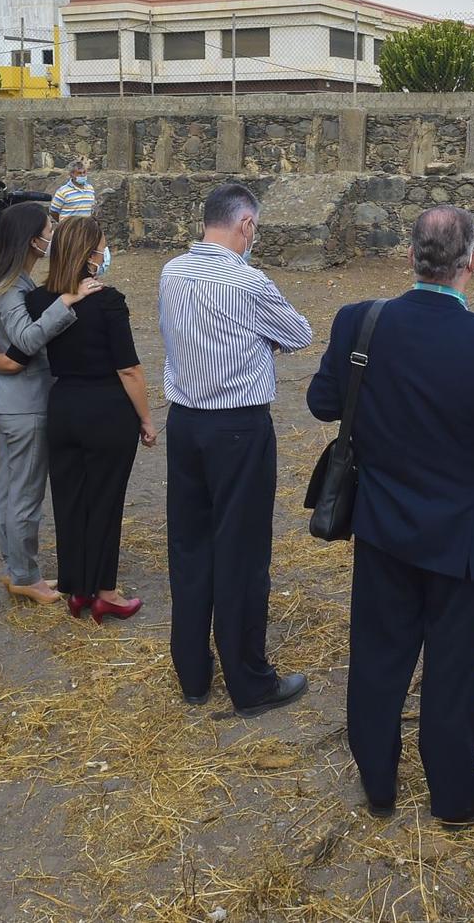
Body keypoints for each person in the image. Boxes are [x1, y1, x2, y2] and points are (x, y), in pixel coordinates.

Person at [308, 207, 474, 825]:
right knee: (453, 669)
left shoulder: (362, 323)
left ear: (410, 257)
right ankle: (454, 795)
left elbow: (323, 401)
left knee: (379, 657)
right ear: (473, 264)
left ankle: (379, 784)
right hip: (461, 538)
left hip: (382, 523)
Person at [160, 183, 313, 714]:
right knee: (242, 553)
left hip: (185, 422)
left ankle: (193, 674)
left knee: (189, 545)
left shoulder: (171, 272)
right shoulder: (248, 282)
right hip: (238, 426)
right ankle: (250, 680)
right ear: (245, 225)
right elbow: (298, 334)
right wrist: (256, 337)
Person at [26, 217, 157, 621]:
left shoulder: (38, 300)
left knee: (69, 499)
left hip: (63, 404)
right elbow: (128, 369)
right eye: (102, 246)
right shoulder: (108, 300)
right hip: (106, 408)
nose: (105, 253)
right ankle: (105, 590)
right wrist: (147, 418)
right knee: (105, 498)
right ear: (89, 255)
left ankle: (76, 587)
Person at [0, 203, 101, 605]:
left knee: (11, 489)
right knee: (24, 492)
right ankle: (25, 574)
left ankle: (17, 567)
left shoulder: (13, 282)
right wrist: (67, 302)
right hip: (24, 403)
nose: (53, 235)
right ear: (33, 239)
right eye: (48, 229)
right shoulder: (12, 287)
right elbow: (26, 341)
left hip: (15, 400)